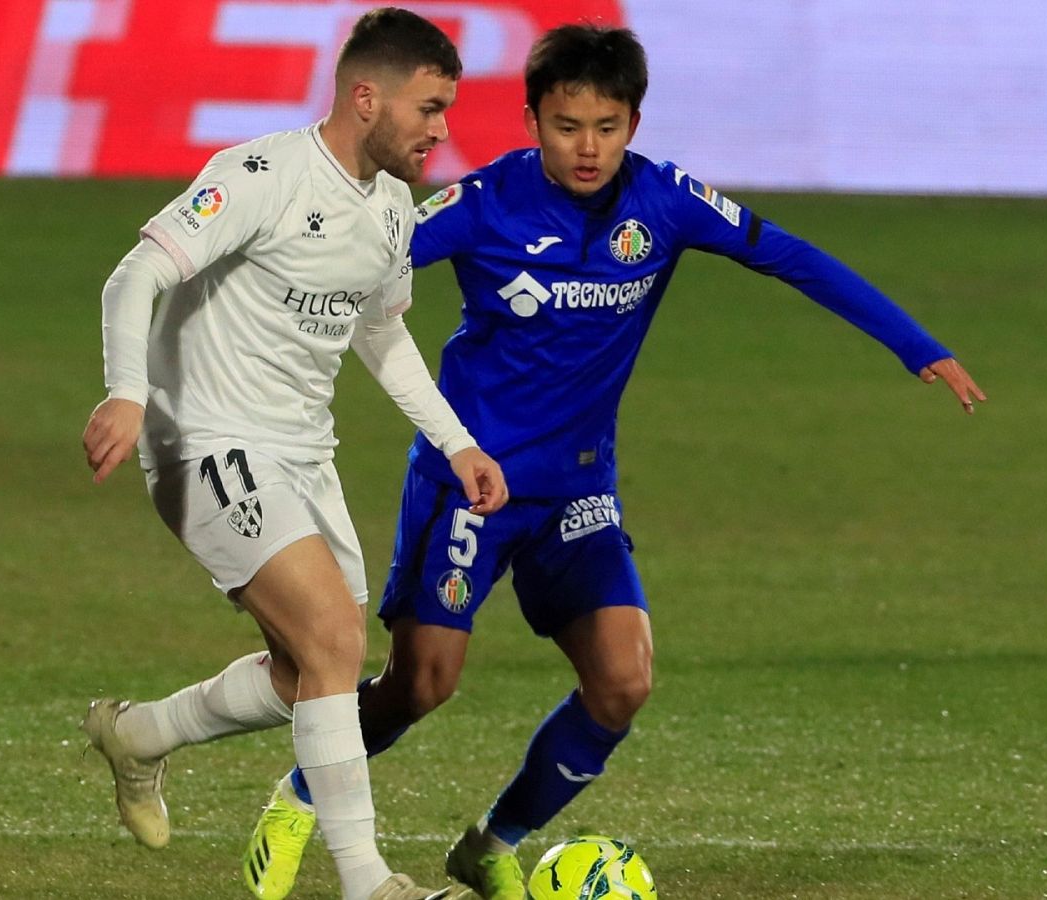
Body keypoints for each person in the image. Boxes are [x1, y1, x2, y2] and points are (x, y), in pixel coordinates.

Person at [239, 23, 986, 900]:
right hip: (471, 485)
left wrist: (915, 345)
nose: (586, 148)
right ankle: (299, 792)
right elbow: (353, 261)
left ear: (633, 121)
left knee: (623, 682)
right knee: (421, 685)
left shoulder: (666, 202)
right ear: (531, 121)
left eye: (606, 126)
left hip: (578, 490)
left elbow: (790, 257)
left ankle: (490, 842)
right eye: (565, 126)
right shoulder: (481, 203)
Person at [77, 9, 507, 900]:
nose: (442, 129)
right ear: (364, 97)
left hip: (303, 454)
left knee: (310, 671)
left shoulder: (392, 211)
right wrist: (126, 390)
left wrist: (458, 442)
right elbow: (137, 274)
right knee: (335, 638)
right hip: (202, 437)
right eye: (429, 108)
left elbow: (382, 337)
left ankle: (140, 735)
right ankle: (366, 882)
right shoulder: (263, 175)